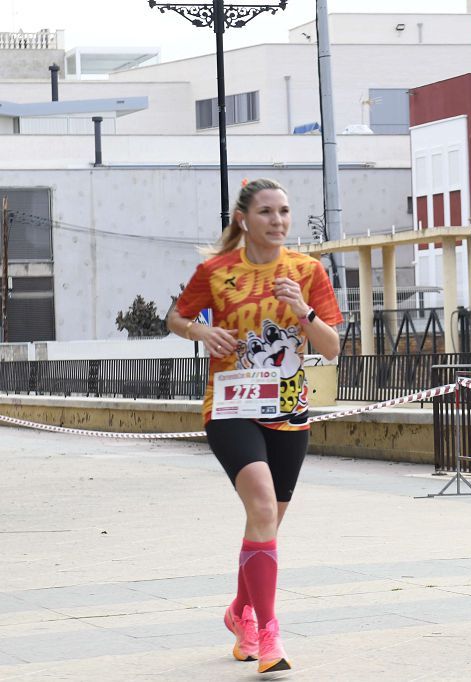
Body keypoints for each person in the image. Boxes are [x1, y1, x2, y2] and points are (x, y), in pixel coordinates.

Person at [166, 178, 342, 673]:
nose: (278, 220)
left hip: (288, 411)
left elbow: (331, 348)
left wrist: (301, 310)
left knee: (265, 523)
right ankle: (269, 636)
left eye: (284, 211)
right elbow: (175, 318)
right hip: (230, 408)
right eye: (267, 211)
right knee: (262, 506)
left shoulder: (307, 271)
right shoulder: (217, 271)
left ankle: (240, 612)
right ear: (243, 219)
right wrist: (201, 330)